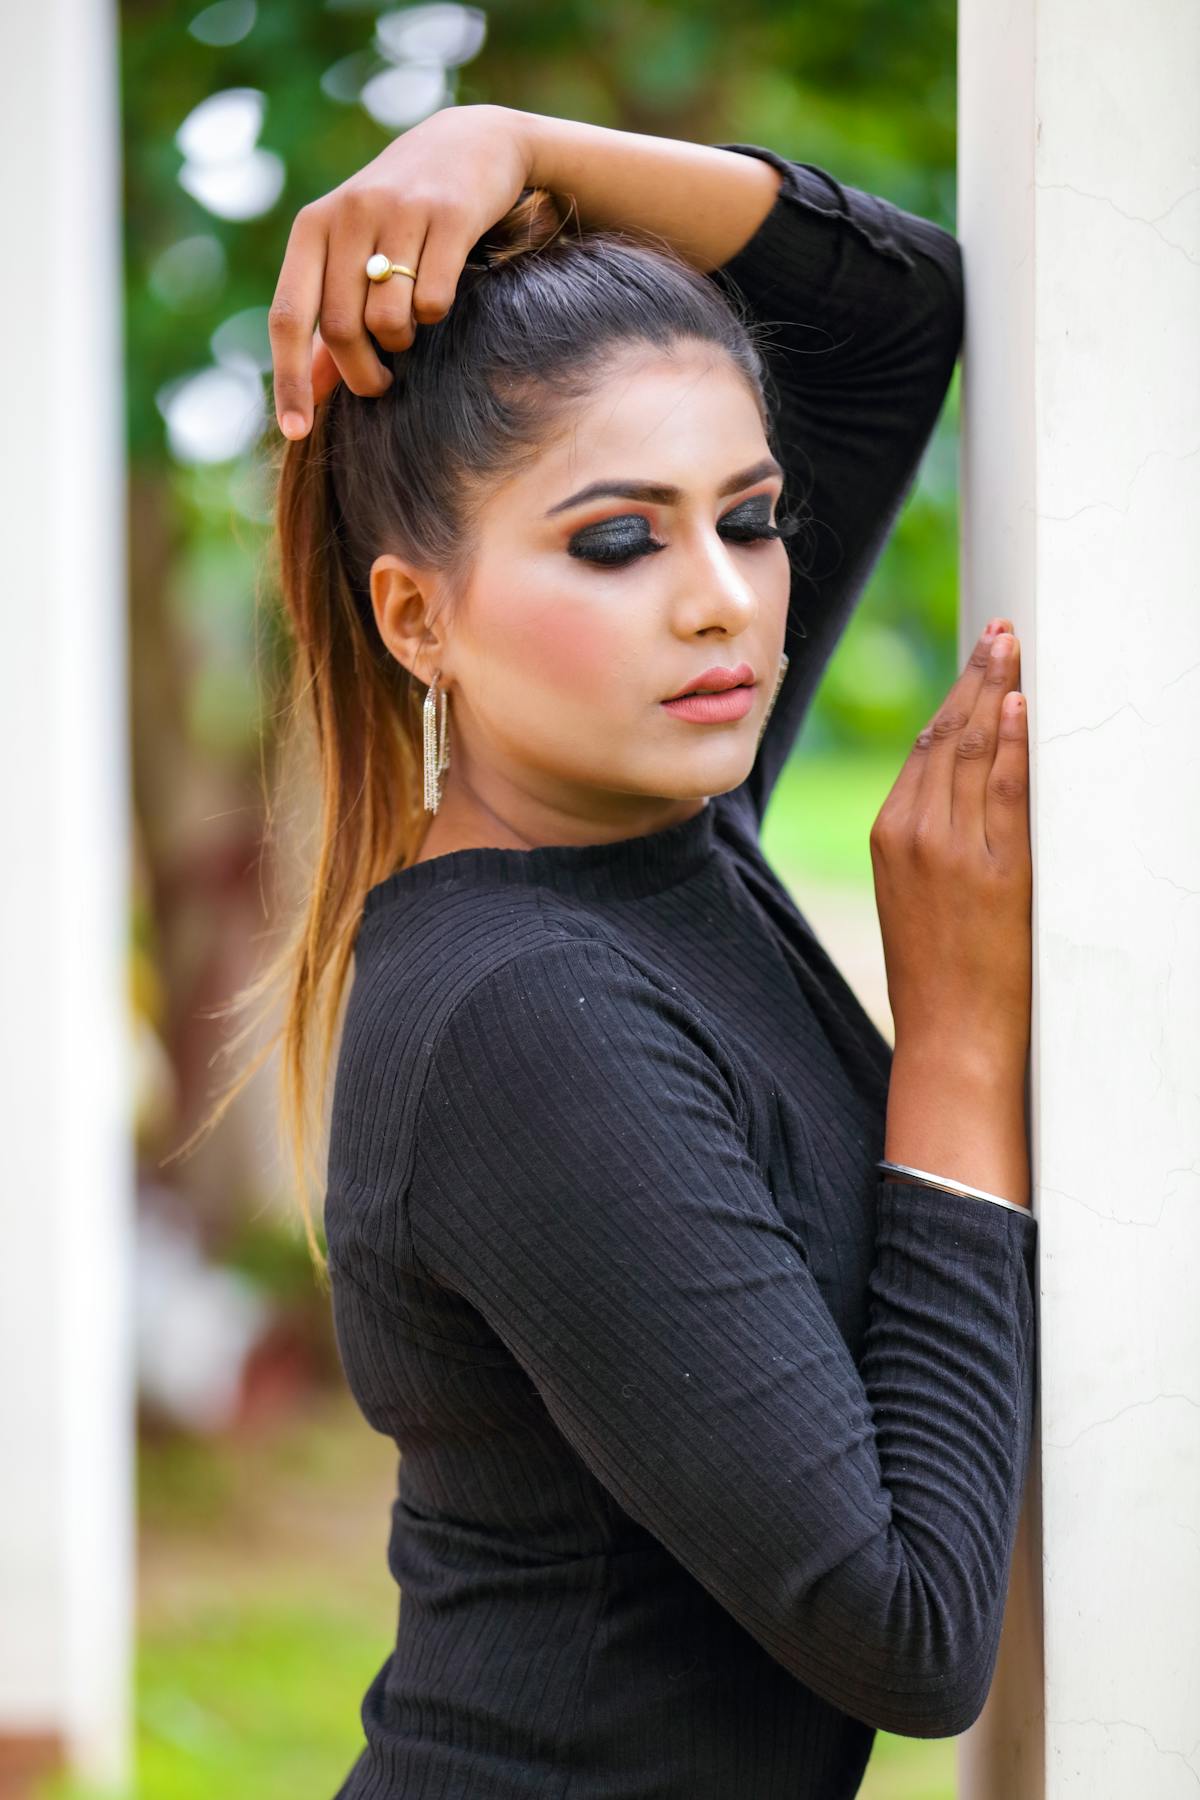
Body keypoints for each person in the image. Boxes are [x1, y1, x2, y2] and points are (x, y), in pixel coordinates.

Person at [254, 104, 1036, 1798]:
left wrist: (501, 143)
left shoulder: (663, 819)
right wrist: (961, 1041)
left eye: (748, 519)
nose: (723, 604)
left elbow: (894, 308)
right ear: (417, 618)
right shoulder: (522, 1015)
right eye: (618, 541)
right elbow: (907, 1631)